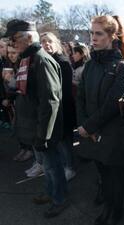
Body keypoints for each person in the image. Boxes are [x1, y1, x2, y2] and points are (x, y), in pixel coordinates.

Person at [3, 19, 68, 218]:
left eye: (14, 39)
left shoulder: (41, 60)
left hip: (43, 130)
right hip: (35, 128)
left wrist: (43, 136)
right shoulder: (27, 59)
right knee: (47, 167)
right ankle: (50, 192)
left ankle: (59, 199)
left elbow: (50, 102)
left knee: (53, 166)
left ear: (29, 37)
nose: (11, 44)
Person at [76, 15, 124, 225]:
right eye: (91, 33)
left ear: (112, 36)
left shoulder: (122, 67)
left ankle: (115, 211)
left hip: (113, 135)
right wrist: (84, 125)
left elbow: (112, 105)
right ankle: (108, 207)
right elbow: (80, 97)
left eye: (98, 33)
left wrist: (89, 126)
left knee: (115, 177)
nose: (93, 38)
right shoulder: (90, 65)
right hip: (91, 133)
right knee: (102, 175)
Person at [40, 32, 77, 181]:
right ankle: (64, 164)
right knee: (59, 141)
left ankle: (70, 167)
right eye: (43, 42)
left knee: (65, 140)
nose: (46, 44)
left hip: (63, 108)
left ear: (56, 43)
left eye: (49, 41)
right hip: (53, 108)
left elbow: (64, 89)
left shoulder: (62, 62)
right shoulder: (46, 60)